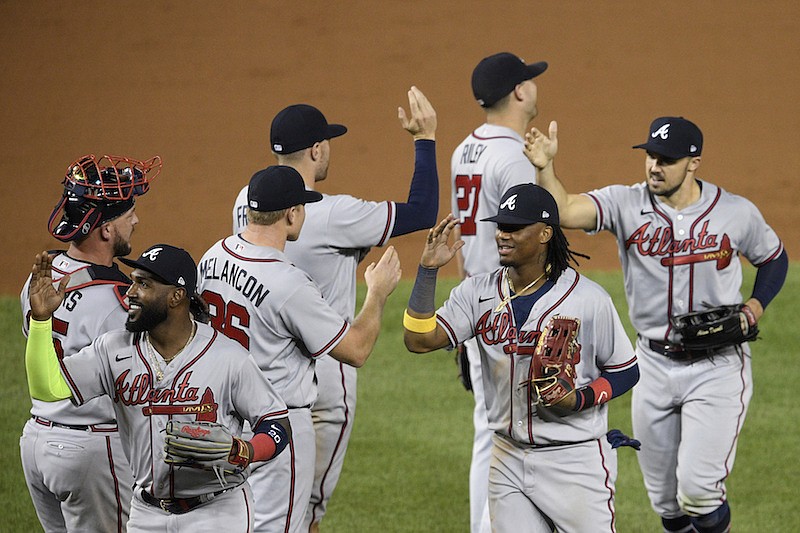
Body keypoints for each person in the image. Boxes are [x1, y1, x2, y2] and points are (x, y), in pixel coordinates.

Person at [525, 117, 789, 533]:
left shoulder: (736, 213)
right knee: (667, 503)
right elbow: (563, 211)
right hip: (650, 365)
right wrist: (545, 167)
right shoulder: (624, 204)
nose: (654, 166)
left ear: (694, 162)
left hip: (716, 368)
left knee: (699, 492)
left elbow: (773, 257)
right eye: (650, 155)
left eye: (666, 159)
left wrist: (754, 307)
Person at [231, 87, 437, 532]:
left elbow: (311, 253)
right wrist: (425, 139)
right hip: (325, 369)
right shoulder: (333, 213)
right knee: (303, 510)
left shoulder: (248, 200)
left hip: (255, 366)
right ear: (318, 149)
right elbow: (423, 211)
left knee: (253, 503)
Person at [403, 184, 639, 532]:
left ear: (545, 233)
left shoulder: (588, 299)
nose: (503, 234)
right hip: (507, 458)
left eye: (515, 228)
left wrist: (579, 399)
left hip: (574, 461)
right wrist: (427, 271)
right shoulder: (477, 293)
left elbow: (625, 371)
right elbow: (418, 339)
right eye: (501, 226)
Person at [24, 244, 292, 531]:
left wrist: (246, 450)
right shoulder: (112, 350)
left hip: (218, 512)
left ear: (176, 296)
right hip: (146, 514)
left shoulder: (228, 357)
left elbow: (276, 424)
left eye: (144, 284)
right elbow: (47, 388)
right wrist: (41, 321)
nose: (130, 292)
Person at [200, 165, 401, 532]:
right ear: (292, 214)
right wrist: (377, 293)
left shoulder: (212, 257)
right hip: (277, 429)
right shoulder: (289, 283)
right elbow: (355, 350)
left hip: (220, 419)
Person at [19, 154, 160, 533]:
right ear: (106, 230)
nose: (135, 220)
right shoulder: (118, 302)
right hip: (90, 454)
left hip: (37, 442)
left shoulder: (39, 284)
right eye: (128, 213)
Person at [450, 51, 547, 533]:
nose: (534, 85)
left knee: (488, 432)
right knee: (513, 435)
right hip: (510, 307)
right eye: (530, 79)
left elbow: (462, 238)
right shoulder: (513, 156)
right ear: (519, 92)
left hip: (478, 300)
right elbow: (526, 240)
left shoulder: (463, 150)